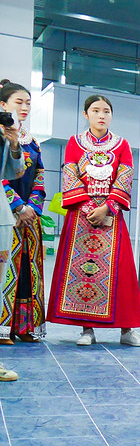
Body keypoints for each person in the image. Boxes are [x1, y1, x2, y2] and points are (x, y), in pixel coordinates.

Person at [46, 95, 140, 347]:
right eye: (96, 110)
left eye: (106, 111)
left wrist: (107, 208)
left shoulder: (122, 145)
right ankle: (87, 329)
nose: (101, 115)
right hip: (81, 217)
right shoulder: (74, 143)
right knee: (83, 274)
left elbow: (125, 178)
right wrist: (92, 208)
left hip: (111, 216)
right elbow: (70, 176)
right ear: (85, 114)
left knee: (121, 273)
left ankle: (127, 330)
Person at [0, 80, 43, 345]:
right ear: (3, 105)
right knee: (6, 272)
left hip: (30, 218)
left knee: (28, 272)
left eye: (28, 102)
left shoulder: (31, 141)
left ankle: (24, 326)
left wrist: (33, 208)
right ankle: (3, 328)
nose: (25, 107)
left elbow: (39, 174)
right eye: (19, 102)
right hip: (6, 214)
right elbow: (3, 177)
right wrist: (17, 206)